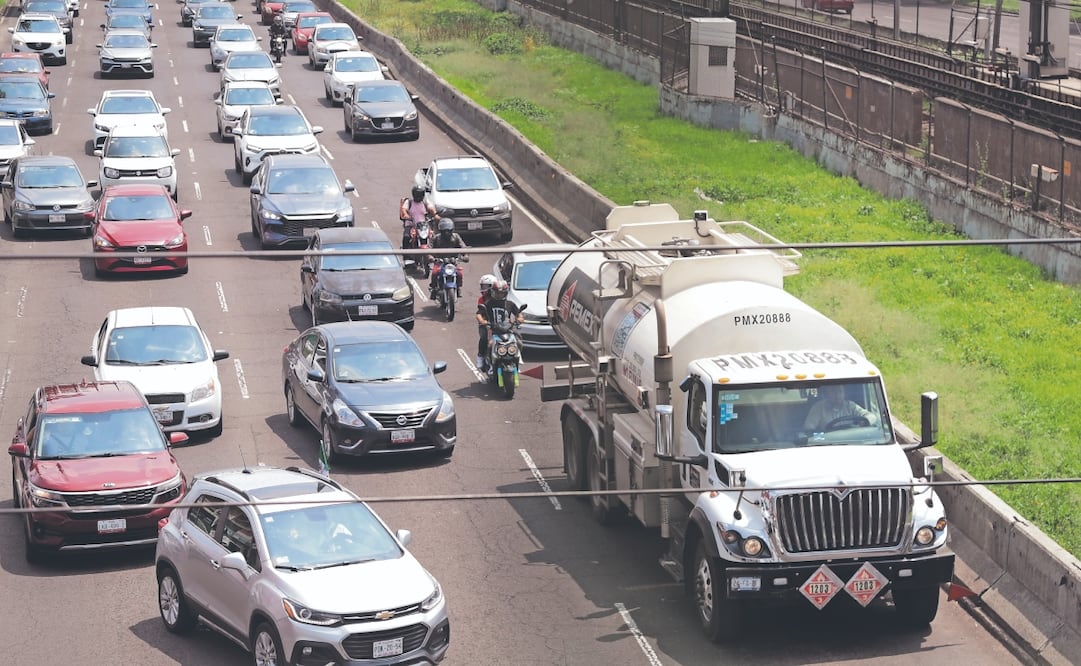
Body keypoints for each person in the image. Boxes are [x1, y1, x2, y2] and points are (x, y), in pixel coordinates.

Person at [476, 279, 523, 371]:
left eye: (501, 293)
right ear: (493, 292)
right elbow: (479, 314)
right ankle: (485, 361)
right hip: (493, 329)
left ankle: (518, 358)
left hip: (507, 329)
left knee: (518, 341)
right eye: (497, 293)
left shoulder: (510, 304)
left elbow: (518, 313)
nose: (499, 295)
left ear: (505, 293)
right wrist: (483, 321)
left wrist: (520, 318)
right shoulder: (488, 303)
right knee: (488, 343)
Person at [802, 385, 877, 433]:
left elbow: (872, 417)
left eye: (840, 391)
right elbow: (809, 429)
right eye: (833, 392)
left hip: (852, 441)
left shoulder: (850, 405)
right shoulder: (818, 408)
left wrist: (865, 422)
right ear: (826, 394)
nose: (837, 395)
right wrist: (821, 436)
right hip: (827, 444)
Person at [428, 218, 467, 298]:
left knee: (459, 273)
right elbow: (429, 249)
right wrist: (431, 257)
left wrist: (465, 255)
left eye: (448, 231)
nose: (447, 233)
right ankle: (434, 288)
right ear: (441, 231)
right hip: (440, 262)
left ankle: (458, 287)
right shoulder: (436, 238)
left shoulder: (456, 237)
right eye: (444, 231)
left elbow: (463, 247)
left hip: (453, 262)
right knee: (435, 273)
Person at [399, 185, 439, 250]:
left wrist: (435, 214)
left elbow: (431, 208)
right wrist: (406, 215)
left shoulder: (425, 202)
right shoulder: (409, 202)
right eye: (417, 195)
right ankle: (405, 254)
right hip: (411, 225)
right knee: (406, 237)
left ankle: (434, 254)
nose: (418, 197)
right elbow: (404, 209)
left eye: (420, 195)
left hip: (423, 226)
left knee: (433, 237)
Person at [475, 274, 497, 367]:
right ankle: (480, 356)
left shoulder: (499, 298)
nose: (483, 289)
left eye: (486, 286)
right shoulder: (481, 300)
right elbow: (479, 313)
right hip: (486, 323)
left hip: (499, 323)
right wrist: (483, 321)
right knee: (484, 338)